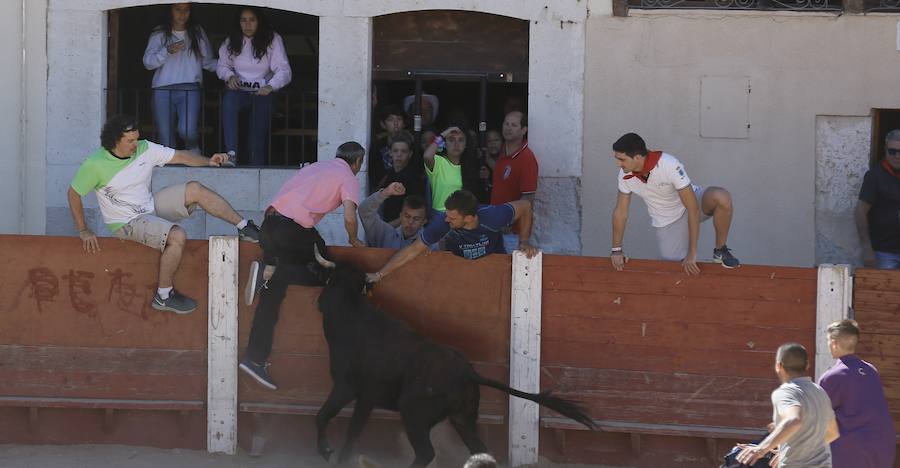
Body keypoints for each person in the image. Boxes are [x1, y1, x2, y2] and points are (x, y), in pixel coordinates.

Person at [67, 115, 260, 315]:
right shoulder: (95, 164)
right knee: (177, 236)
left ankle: (245, 227)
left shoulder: (145, 148)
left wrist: (209, 161)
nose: (136, 144)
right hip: (126, 223)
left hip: (150, 206)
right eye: (130, 141)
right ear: (115, 140)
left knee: (195, 189)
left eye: (137, 138)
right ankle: (164, 295)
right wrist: (83, 229)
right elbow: (73, 193)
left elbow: (182, 156)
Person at [240, 142, 366, 390]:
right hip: (293, 230)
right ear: (358, 162)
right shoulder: (348, 176)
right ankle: (271, 271)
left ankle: (255, 357)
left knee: (272, 294)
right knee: (328, 272)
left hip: (269, 225)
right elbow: (350, 216)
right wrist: (354, 240)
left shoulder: (317, 167)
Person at [610, 132, 740, 275]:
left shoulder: (668, 164)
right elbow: (620, 212)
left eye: (622, 160)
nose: (618, 164)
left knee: (722, 197)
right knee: (674, 270)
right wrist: (616, 250)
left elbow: (692, 208)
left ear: (637, 157)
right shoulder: (624, 175)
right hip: (667, 221)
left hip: (692, 204)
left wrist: (692, 252)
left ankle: (720, 250)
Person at [367, 190, 537, 284]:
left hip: (493, 269)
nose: (446, 219)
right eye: (446, 215)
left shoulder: (493, 216)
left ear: (469, 218)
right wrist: (379, 275)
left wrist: (524, 241)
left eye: (452, 218)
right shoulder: (443, 222)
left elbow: (525, 206)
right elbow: (413, 250)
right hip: (459, 271)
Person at [736, 343, 839, 467]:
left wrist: (761, 449)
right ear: (807, 365)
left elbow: (794, 420)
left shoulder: (786, 392)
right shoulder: (820, 392)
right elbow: (833, 432)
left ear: (778, 366)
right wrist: (789, 451)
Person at [217, 7, 291, 166]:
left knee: (256, 137)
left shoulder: (272, 39)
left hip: (263, 94)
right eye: (243, 20)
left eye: (252, 20)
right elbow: (222, 65)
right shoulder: (231, 40)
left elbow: (284, 70)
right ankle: (231, 154)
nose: (247, 24)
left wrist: (270, 87)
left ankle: (256, 163)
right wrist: (229, 76)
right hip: (239, 92)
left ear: (259, 21)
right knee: (229, 100)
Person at [818, 320, 896, 468]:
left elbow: (815, 416)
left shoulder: (831, 377)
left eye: (828, 341)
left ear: (834, 343)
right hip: (884, 445)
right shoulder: (871, 371)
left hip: (854, 450)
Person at [143, 3, 216, 153]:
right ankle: (171, 167)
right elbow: (148, 63)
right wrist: (166, 51)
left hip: (189, 88)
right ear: (170, 10)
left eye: (186, 10)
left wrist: (231, 71)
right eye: (178, 9)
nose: (182, 14)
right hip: (162, 89)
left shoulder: (197, 32)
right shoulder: (160, 33)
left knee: (187, 130)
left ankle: (194, 153)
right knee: (166, 137)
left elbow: (208, 61)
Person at [491, 111, 539, 253]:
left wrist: (508, 220)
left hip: (512, 233)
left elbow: (528, 200)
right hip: (495, 228)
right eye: (506, 124)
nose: (508, 128)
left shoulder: (527, 158)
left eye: (513, 125)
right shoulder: (501, 154)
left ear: (523, 130)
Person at [856, 129, 900, 269]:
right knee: (883, 291)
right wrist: (867, 248)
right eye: (892, 151)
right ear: (885, 150)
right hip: (884, 253)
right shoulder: (874, 176)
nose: (897, 156)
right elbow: (860, 211)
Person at [424, 126, 484, 218]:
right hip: (440, 215)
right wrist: (443, 135)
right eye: (451, 140)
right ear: (445, 143)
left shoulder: (470, 166)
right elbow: (427, 156)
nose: (456, 144)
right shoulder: (438, 161)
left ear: (466, 145)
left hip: (462, 217)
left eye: (460, 140)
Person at [374, 130, 425, 222]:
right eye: (395, 151)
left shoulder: (414, 177)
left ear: (410, 154)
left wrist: (389, 227)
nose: (399, 154)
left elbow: (414, 211)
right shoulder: (389, 174)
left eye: (403, 151)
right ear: (390, 152)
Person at [360, 182, 428, 249]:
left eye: (416, 219)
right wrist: (385, 193)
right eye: (407, 216)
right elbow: (364, 211)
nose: (410, 222)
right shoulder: (385, 233)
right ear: (400, 216)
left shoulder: (430, 243)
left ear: (423, 222)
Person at [367, 104, 406, 195]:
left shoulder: (410, 145)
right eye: (390, 120)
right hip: (382, 194)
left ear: (404, 123)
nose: (396, 124)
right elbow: (375, 179)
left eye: (399, 119)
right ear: (383, 124)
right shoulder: (378, 147)